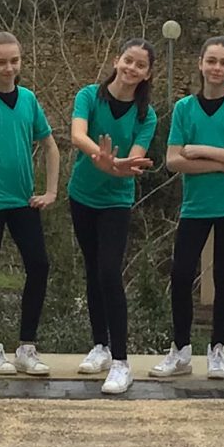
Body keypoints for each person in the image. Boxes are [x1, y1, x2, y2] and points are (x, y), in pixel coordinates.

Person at [153, 36, 224, 382]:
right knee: (182, 274)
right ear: (200, 63)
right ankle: (181, 349)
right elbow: (173, 160)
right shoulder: (184, 108)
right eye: (211, 61)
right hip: (196, 204)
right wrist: (222, 165)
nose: (216, 68)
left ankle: (218, 349)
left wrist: (200, 150)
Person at [0, 31, 57, 378]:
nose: (8, 68)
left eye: (14, 61)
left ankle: (27, 347)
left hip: (23, 199)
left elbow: (50, 145)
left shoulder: (28, 99)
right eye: (1, 62)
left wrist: (50, 191)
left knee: (39, 265)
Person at [68, 37, 158, 395]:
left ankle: (121, 362)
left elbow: (133, 162)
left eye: (140, 65)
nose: (132, 68)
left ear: (147, 74)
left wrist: (116, 164)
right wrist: (102, 158)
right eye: (128, 60)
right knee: (93, 270)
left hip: (116, 201)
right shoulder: (89, 96)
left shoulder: (146, 114)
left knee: (109, 271)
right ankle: (100, 346)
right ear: (117, 60)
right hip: (82, 196)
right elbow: (77, 135)